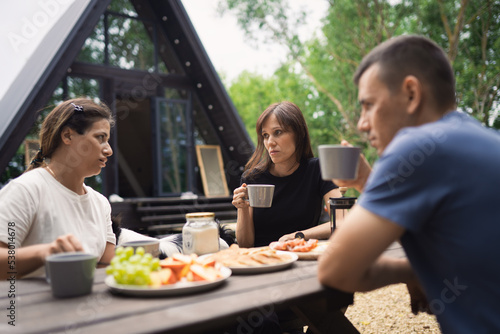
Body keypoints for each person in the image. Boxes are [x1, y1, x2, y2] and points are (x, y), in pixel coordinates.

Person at [318, 35, 500, 334]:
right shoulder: (478, 138)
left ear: (412, 94)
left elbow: (336, 270)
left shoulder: (416, 145)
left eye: (368, 105)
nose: (362, 123)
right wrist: (366, 181)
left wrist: (414, 270)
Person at [0, 98, 116, 279]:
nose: (108, 150)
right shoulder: (25, 190)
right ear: (68, 136)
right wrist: (43, 253)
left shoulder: (100, 204)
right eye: (100, 138)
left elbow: (106, 268)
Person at [232, 101, 342, 248]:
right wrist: (242, 209)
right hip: (262, 259)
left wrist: (297, 236)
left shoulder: (318, 169)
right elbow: (245, 244)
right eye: (265, 135)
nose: (270, 142)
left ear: (299, 133)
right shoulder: (252, 178)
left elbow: (342, 221)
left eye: (278, 132)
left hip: (302, 256)